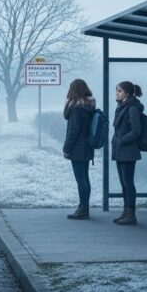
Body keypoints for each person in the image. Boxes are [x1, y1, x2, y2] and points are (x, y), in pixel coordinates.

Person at [63, 79, 96, 220]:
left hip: (77, 147)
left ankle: (83, 210)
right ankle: (84, 208)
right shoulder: (89, 106)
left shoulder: (76, 108)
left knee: (80, 179)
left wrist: (66, 148)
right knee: (85, 178)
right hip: (87, 146)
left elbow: (72, 132)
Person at [111, 81, 144, 225]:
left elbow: (136, 131)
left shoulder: (132, 108)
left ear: (128, 93)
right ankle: (126, 211)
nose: (117, 93)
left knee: (128, 183)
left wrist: (121, 140)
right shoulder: (122, 106)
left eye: (119, 91)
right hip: (121, 150)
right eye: (116, 91)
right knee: (123, 183)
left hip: (128, 150)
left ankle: (131, 214)